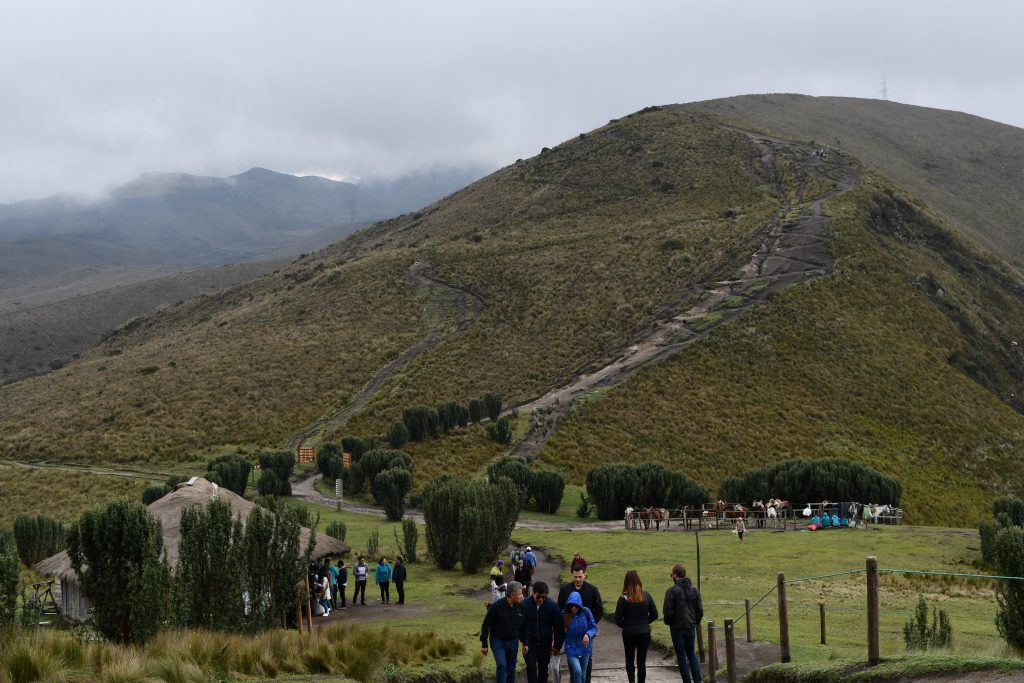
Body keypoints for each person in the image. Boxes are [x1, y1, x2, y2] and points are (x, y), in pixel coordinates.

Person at [557, 567, 603, 683]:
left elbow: (599, 610)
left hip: (585, 637)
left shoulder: (592, 590)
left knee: (585, 669)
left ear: (585, 575)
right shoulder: (565, 589)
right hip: (571, 639)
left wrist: (588, 629)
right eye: (575, 576)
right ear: (572, 575)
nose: (577, 579)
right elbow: (559, 609)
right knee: (575, 670)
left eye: (580, 576)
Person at [614, 571, 658, 683]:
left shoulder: (623, 599)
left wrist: (627, 624)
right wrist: (645, 622)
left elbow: (618, 620)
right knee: (641, 662)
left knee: (629, 659)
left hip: (629, 633)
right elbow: (655, 614)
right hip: (644, 633)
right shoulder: (646, 595)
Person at [481, 580, 528, 683]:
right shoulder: (496, 607)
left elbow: (524, 626)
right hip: (497, 640)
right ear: (512, 595)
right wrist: (484, 643)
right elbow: (485, 625)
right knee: (502, 665)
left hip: (513, 642)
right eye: (520, 594)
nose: (522, 597)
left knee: (511, 669)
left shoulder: (521, 607)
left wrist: (525, 642)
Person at [663, 563, 703, 683]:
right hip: (690, 626)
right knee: (691, 654)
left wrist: (669, 622)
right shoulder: (694, 590)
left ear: (675, 575)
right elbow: (699, 610)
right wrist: (695, 621)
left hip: (677, 628)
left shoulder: (672, 591)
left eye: (672, 574)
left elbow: (667, 611)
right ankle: (697, 681)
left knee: (681, 656)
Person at [523, 580, 563, 683]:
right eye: (538, 597)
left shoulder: (552, 606)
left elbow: (558, 627)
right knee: (531, 666)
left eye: (543, 597)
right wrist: (524, 641)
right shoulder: (525, 604)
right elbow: (522, 625)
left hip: (545, 643)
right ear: (533, 593)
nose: (541, 599)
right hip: (530, 643)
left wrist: (557, 645)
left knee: (543, 669)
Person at [562, 592, 597, 683]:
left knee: (583, 675)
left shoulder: (586, 612)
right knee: (577, 671)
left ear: (579, 605)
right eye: (571, 605)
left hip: (585, 647)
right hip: (571, 648)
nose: (573, 608)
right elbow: (558, 630)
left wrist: (588, 634)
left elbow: (593, 627)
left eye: (576, 605)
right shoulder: (564, 614)